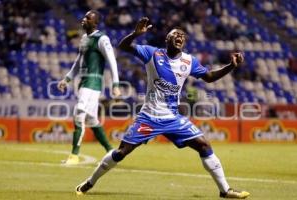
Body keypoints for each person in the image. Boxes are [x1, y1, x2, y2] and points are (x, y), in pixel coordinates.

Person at [75, 17, 250, 199]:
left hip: (173, 118)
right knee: (120, 153)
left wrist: (230, 66)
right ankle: (89, 182)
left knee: (204, 145)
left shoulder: (189, 62)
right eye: (175, 34)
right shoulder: (153, 54)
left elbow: (210, 76)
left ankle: (225, 190)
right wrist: (135, 34)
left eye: (182, 35)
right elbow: (123, 47)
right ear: (167, 40)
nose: (180, 36)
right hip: (148, 117)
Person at [57, 10, 121, 165]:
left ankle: (74, 156)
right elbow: (78, 61)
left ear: (95, 22)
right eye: (84, 16)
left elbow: (112, 60)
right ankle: (111, 151)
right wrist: (67, 79)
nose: (84, 19)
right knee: (91, 120)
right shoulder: (85, 38)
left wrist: (115, 84)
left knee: (79, 113)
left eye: (88, 18)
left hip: (93, 83)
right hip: (83, 83)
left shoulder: (102, 38)